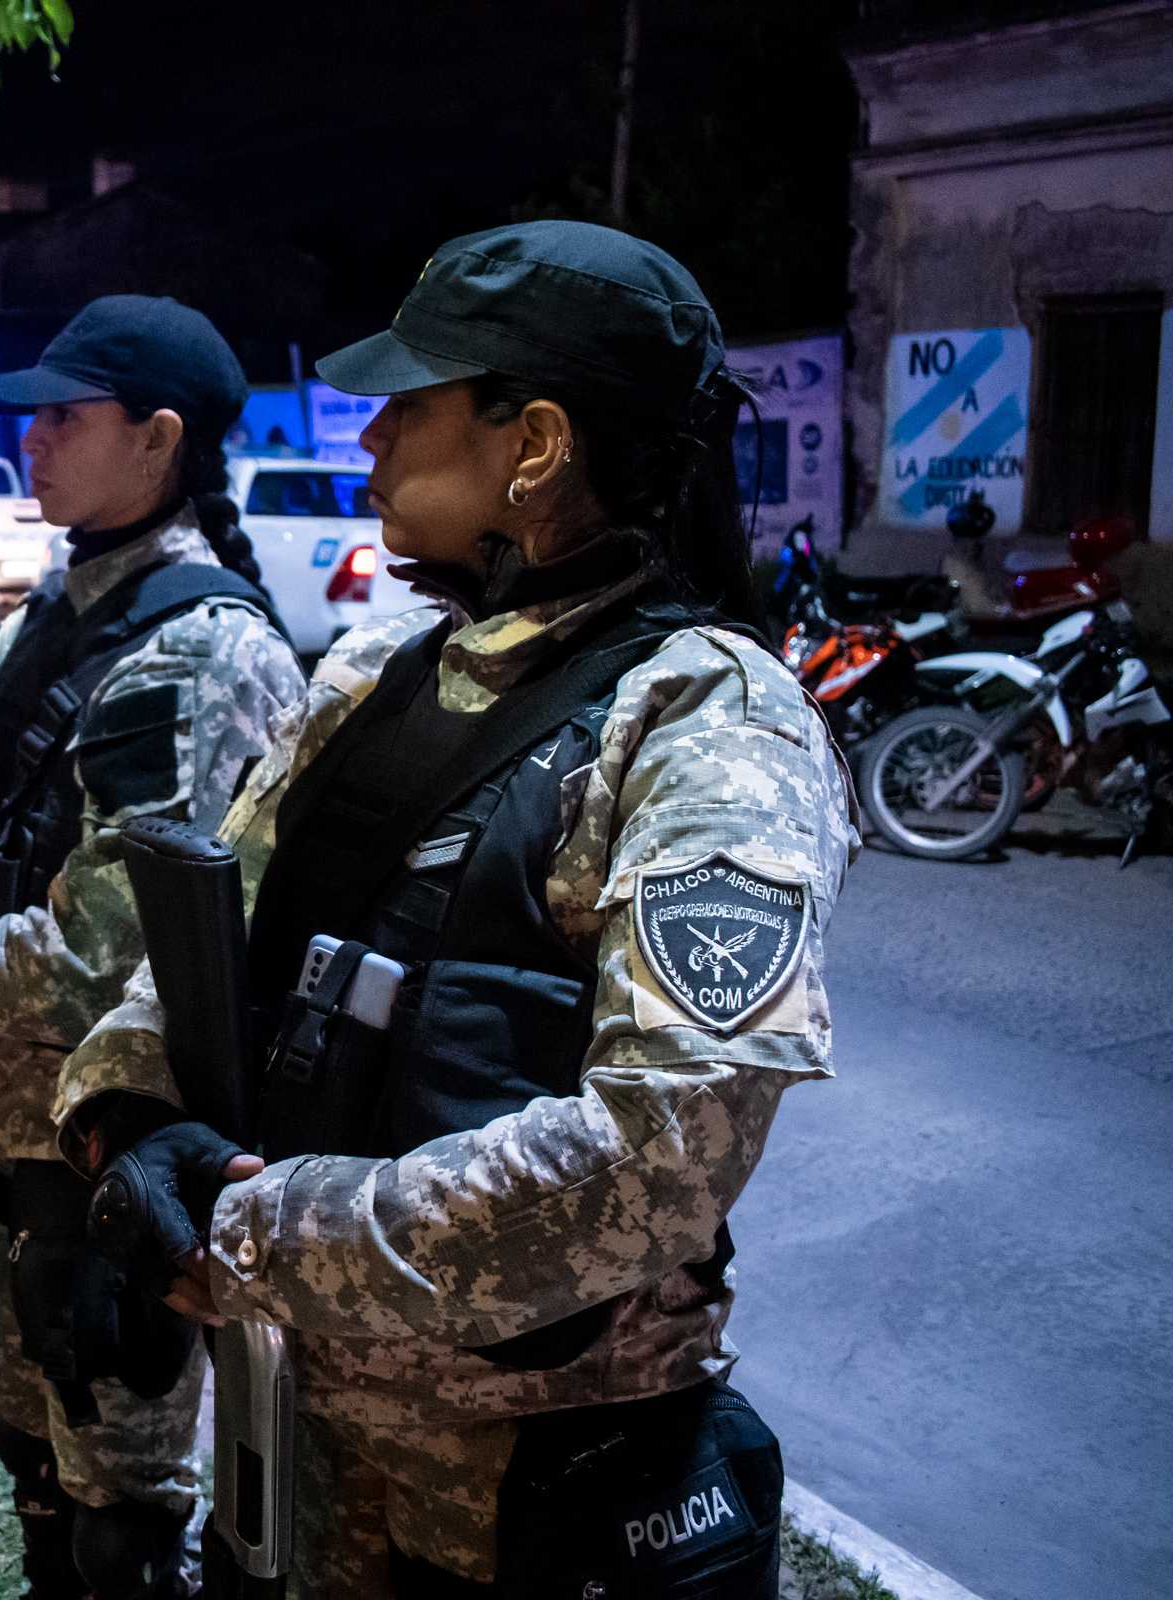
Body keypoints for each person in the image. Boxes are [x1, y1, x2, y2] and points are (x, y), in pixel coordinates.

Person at [61, 221, 855, 1596]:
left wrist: (246, 1235)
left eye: (408, 405)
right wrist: (127, 1125)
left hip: (526, 1475)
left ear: (533, 445)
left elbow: (666, 1150)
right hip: (307, 1421)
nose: (368, 439)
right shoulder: (377, 675)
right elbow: (197, 934)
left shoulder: (703, 717)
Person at [0, 296, 307, 1598]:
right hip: (1, 1132)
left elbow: (97, 960)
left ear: (159, 439)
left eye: (66, 417)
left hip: (102, 1158)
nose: (33, 439)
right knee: (36, 1464)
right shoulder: (51, 615)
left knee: (122, 1507)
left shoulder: (194, 655)